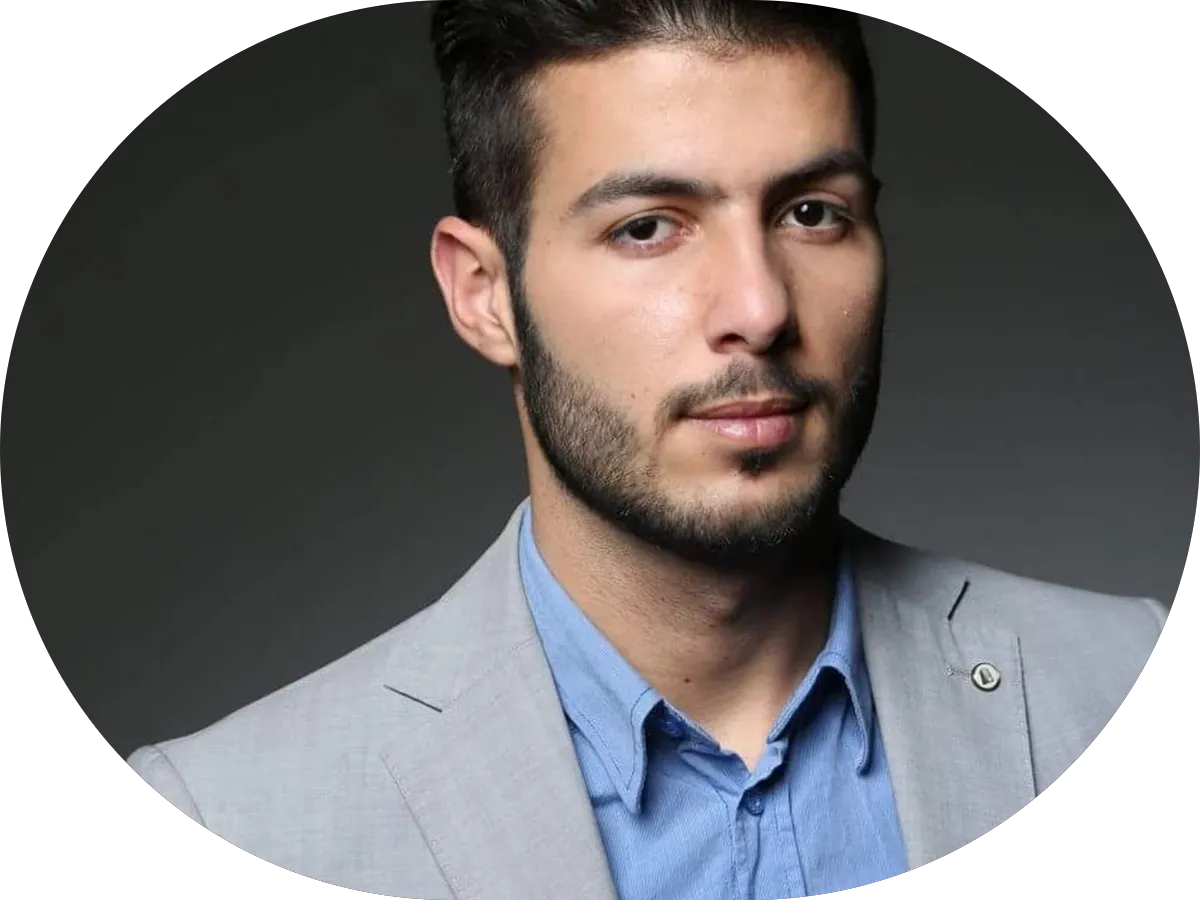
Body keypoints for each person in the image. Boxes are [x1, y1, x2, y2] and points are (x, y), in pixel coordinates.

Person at [126, 2, 1169, 897]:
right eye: (647, 227)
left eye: (812, 213)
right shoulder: (234, 814)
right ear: (484, 295)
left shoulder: (1118, 677)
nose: (759, 309)